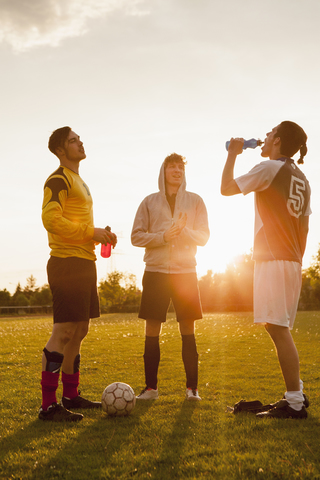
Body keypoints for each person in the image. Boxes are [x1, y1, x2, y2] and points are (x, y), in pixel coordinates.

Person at [221, 121, 311, 419]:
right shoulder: (301, 177)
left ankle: (295, 400)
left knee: (277, 328)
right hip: (292, 259)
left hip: (273, 258)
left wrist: (233, 153)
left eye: (271, 132)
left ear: (278, 140)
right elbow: (305, 225)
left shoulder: (270, 168)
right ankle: (296, 392)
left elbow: (226, 189)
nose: (266, 136)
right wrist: (295, 257)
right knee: (278, 327)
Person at [39, 126, 117, 422]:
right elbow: (51, 218)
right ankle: (48, 406)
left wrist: (99, 236)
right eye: (73, 140)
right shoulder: (58, 179)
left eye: (79, 139)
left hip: (84, 262)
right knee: (64, 332)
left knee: (80, 331)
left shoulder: (79, 181)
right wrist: (89, 231)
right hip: (66, 263)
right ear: (61, 150)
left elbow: (77, 225)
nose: (80, 142)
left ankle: (71, 395)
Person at [131, 153, 210, 401]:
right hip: (155, 272)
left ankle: (192, 389)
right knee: (152, 328)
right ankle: (151, 388)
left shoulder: (196, 201)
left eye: (180, 167)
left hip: (185, 272)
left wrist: (184, 231)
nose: (177, 170)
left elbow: (205, 237)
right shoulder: (149, 202)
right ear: (163, 171)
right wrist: (163, 237)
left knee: (187, 327)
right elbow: (136, 236)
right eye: (172, 167)